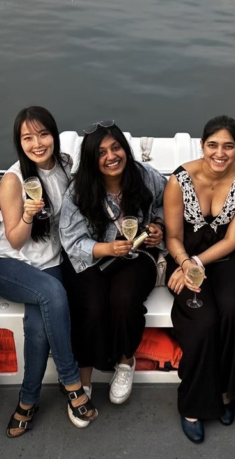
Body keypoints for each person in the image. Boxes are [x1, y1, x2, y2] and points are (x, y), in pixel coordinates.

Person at [0, 107, 97, 437]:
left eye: (43, 134)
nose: (37, 144)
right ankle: (72, 383)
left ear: (54, 135)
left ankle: (28, 400)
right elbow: (15, 241)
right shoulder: (13, 180)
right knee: (53, 292)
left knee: (37, 328)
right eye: (27, 138)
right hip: (7, 263)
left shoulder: (65, 165)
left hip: (49, 261)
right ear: (19, 142)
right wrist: (28, 215)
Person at [59, 121, 166, 405]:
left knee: (124, 299)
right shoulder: (78, 191)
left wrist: (158, 225)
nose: (111, 156)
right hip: (92, 256)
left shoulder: (145, 176)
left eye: (116, 148)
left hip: (137, 252)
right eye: (101, 152)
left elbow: (168, 200)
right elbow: (71, 241)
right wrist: (106, 248)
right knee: (90, 305)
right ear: (91, 159)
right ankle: (83, 376)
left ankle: (125, 361)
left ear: (125, 150)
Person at [163, 116, 235, 443]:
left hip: (225, 259)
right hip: (186, 258)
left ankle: (227, 393)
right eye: (213, 145)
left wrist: (197, 263)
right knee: (202, 321)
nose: (220, 153)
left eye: (228, 146)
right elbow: (173, 237)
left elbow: (232, 240)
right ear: (202, 146)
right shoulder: (179, 181)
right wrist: (186, 263)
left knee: (232, 311)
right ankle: (193, 404)